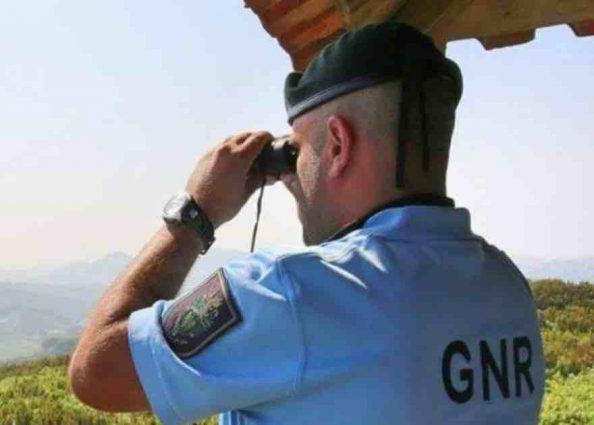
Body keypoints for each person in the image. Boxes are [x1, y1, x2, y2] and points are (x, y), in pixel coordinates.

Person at [68, 22, 545, 424]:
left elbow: (95, 371)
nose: (289, 178)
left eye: (295, 152)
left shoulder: (290, 292)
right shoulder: (505, 288)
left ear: (337, 144)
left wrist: (195, 212)